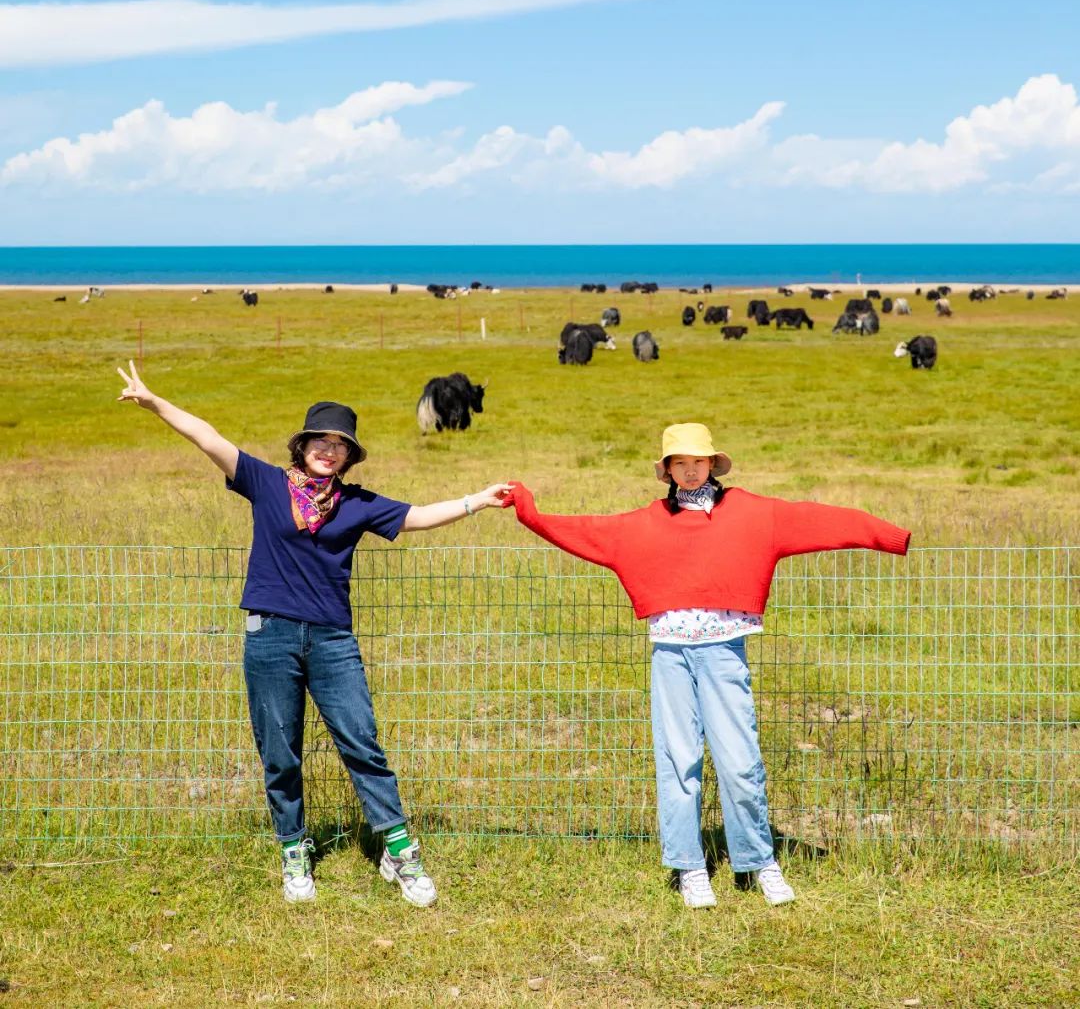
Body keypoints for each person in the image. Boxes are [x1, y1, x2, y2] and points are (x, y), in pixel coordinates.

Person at [117, 362, 511, 906]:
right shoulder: (265, 483)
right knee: (280, 750)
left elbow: (418, 516)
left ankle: (399, 852)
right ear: (301, 447)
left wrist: (478, 500)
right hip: (270, 637)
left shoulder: (357, 504)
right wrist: (154, 402)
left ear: (349, 456)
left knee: (362, 743)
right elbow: (209, 437)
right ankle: (294, 850)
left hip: (331, 642)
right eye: (319, 442)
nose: (328, 450)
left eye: (339, 445)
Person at [503, 422, 911, 909]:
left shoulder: (753, 514)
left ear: (712, 464)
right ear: (668, 470)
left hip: (724, 652)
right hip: (670, 654)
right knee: (678, 760)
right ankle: (690, 866)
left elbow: (818, 519)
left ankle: (760, 861)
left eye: (699, 461)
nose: (691, 470)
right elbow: (581, 530)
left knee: (740, 762)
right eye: (681, 462)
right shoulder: (643, 523)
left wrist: (888, 536)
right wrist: (527, 509)